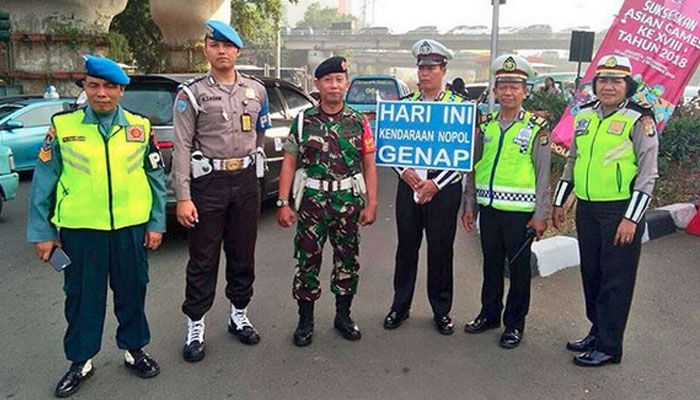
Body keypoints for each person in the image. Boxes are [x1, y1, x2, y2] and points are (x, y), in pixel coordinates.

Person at [27, 55, 166, 398]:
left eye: (109, 87)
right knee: (81, 298)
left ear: (121, 90)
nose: (101, 93)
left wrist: (156, 223)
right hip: (81, 231)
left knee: (133, 292)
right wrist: (43, 232)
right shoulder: (64, 127)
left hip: (131, 229)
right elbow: (44, 181)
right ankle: (80, 360)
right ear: (85, 89)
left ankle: (134, 351)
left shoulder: (139, 127)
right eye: (94, 86)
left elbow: (155, 178)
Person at [172, 20, 271, 362]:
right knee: (203, 258)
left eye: (228, 46)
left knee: (243, 253)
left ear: (237, 51)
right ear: (206, 50)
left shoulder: (257, 91)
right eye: (215, 45)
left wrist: (253, 169)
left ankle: (238, 314)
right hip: (208, 184)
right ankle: (196, 324)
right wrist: (183, 196)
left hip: (245, 182)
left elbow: (260, 133)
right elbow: (182, 145)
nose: (222, 51)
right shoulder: (192, 93)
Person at [552, 54, 659, 367]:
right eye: (603, 80)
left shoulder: (639, 119)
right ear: (595, 84)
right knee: (592, 273)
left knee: (616, 280)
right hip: (587, 208)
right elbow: (573, 160)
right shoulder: (584, 115)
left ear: (627, 85)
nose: (608, 86)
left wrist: (631, 217)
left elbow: (648, 173)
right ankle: (597, 331)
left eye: (616, 81)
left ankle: (610, 346)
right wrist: (560, 199)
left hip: (619, 211)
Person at [277, 56, 378, 347]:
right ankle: (305, 321)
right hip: (311, 205)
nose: (334, 86)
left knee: (347, 261)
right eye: (328, 80)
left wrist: (371, 204)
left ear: (346, 84)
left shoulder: (359, 121)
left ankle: (343, 316)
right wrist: (283, 203)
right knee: (307, 262)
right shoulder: (303, 120)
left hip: (347, 203)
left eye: (339, 80)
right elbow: (289, 162)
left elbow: (369, 164)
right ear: (317, 84)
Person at [461, 54, 551, 349]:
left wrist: (541, 214)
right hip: (488, 210)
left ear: (525, 91)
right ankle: (489, 314)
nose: (508, 93)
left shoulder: (536, 128)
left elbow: (543, 175)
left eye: (515, 87)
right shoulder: (485, 126)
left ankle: (514, 324)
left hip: (520, 214)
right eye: (503, 87)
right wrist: (469, 205)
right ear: (496, 91)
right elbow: (474, 169)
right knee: (490, 266)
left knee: (519, 271)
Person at [383, 39, 466, 335]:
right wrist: (404, 172)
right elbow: (389, 146)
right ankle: (399, 307)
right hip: (409, 188)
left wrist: (435, 184)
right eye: (421, 67)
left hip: (443, 191)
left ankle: (441, 311)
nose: (425, 73)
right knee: (406, 248)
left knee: (441, 250)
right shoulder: (404, 108)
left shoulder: (458, 108)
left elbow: (463, 155)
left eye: (431, 67)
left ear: (443, 70)